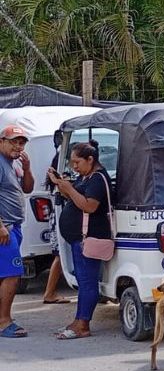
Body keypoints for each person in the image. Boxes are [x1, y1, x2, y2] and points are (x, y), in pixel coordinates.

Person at [49, 141, 113, 340]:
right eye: (72, 163)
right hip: (80, 238)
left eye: (77, 162)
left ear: (90, 160)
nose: (74, 166)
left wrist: (69, 188)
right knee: (83, 281)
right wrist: (61, 184)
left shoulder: (97, 179)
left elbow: (89, 206)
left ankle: (83, 324)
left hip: (89, 238)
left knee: (87, 282)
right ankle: (78, 320)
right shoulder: (87, 177)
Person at [0, 125, 34, 338]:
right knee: (13, 274)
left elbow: (28, 188)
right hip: (6, 228)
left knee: (5, 274)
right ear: (1, 141)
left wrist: (28, 168)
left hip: (14, 227)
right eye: (13, 141)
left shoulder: (14, 164)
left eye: (21, 142)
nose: (18, 146)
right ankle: (4, 321)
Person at [42, 151, 70, 305]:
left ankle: (50, 292)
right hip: (61, 219)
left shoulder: (54, 179)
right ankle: (49, 292)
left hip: (58, 218)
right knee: (60, 256)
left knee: (60, 256)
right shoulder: (60, 179)